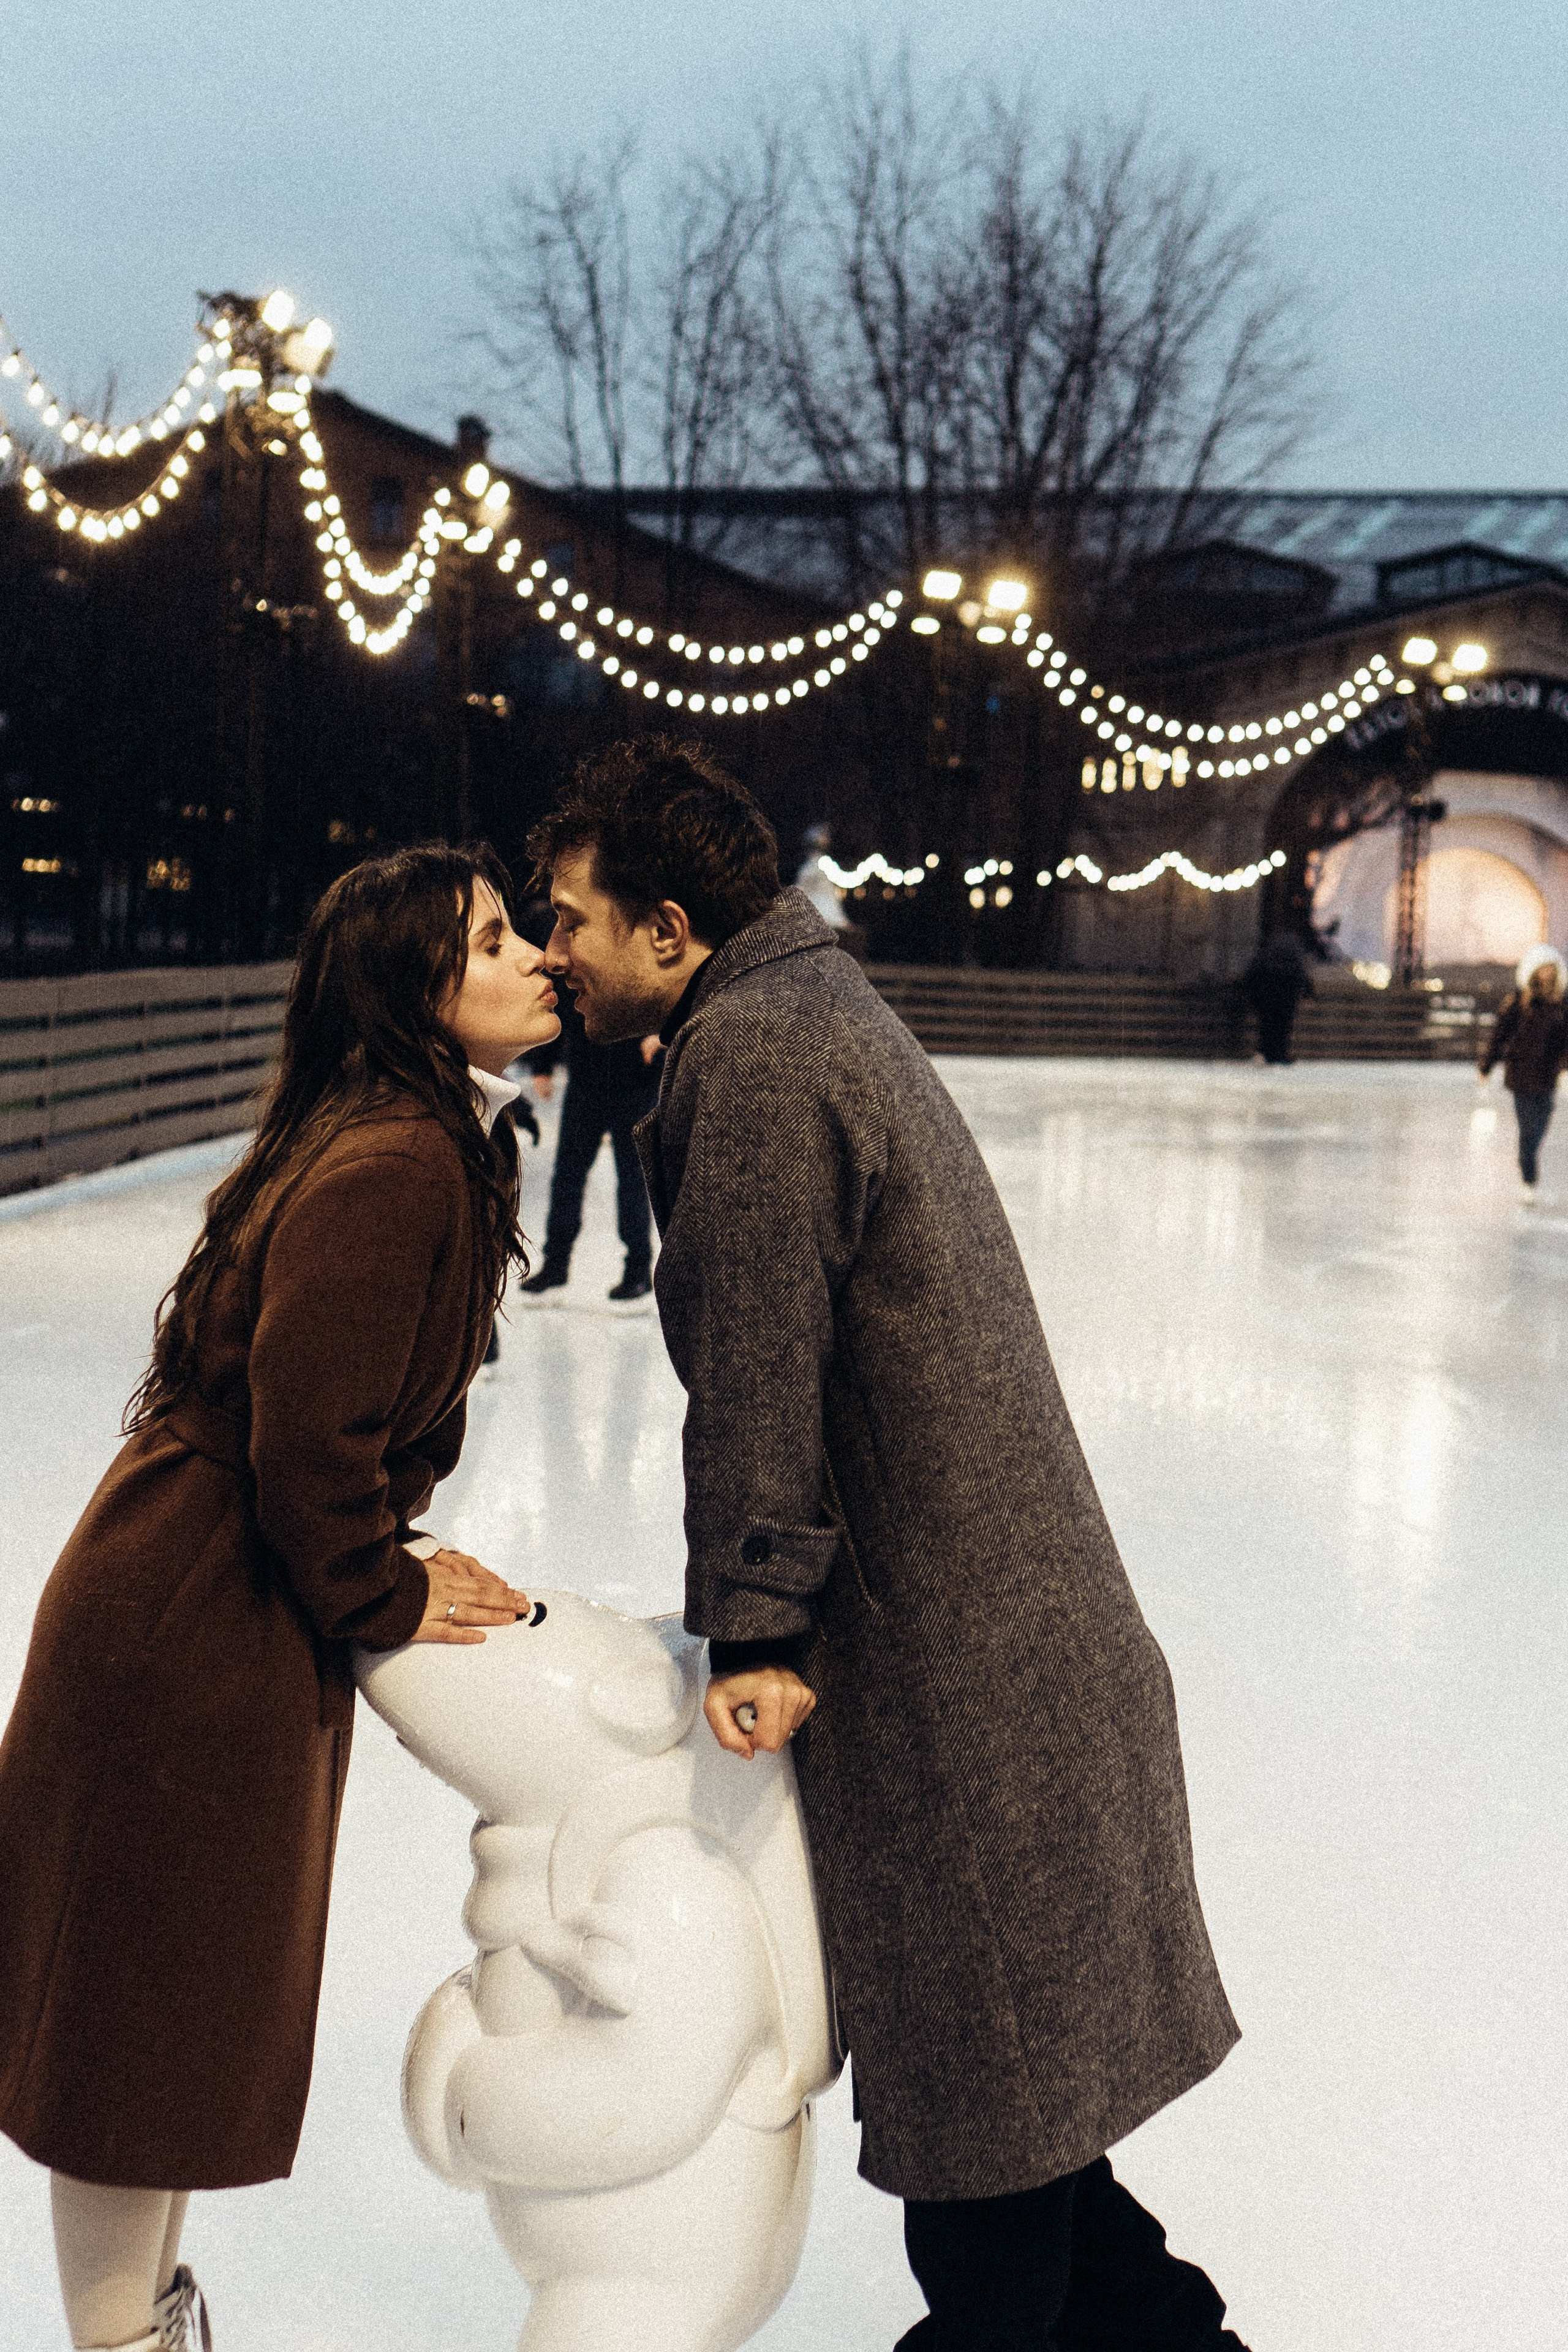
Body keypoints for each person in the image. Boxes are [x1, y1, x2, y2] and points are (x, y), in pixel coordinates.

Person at [529, 739, 1250, 2352]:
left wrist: (757, 1634)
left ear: (666, 927)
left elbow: (763, 1382)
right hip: (1012, 1661)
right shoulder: (800, 1012)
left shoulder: (760, 1054)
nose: (550, 949)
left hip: (966, 1690)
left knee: (989, 2167)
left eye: (568, 919)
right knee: (1027, 2138)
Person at [0, 844, 557, 2352]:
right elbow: (309, 1434)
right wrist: (382, 1582)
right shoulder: (397, 1159)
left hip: (208, 1600)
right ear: (417, 991)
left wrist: (370, 1570)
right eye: (496, 940)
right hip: (194, 1621)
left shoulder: (406, 1132)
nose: (537, 959)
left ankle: (137, 2331)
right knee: (141, 2032)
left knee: (165, 2027)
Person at [518, 983, 662, 1303]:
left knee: (633, 1177)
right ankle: (556, 1264)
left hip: (638, 1079)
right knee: (568, 1174)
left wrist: (663, 1033)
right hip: (588, 1077)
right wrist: (543, 1064)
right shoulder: (584, 946)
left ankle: (638, 1270)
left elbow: (672, 989)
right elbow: (564, 1002)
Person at [1479, 944, 1568, 1194]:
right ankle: (1528, 1176)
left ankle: (1528, 1163)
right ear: (1534, 971)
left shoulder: (1562, 1003)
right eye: (1543, 969)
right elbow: (1500, 1035)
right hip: (1521, 1075)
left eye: (1551, 969)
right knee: (1528, 1130)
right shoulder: (1519, 1001)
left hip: (1547, 1076)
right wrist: (1486, 1066)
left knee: (1540, 1128)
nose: (1547, 974)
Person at [1243, 927, 1314, 1064]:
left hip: (1268, 997)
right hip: (1285, 998)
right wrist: (1308, 993)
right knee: (1282, 1027)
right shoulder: (1292, 954)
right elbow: (1301, 974)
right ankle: (1279, 1053)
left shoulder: (1267, 955)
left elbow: (1253, 974)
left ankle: (1266, 1052)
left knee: (1267, 1025)